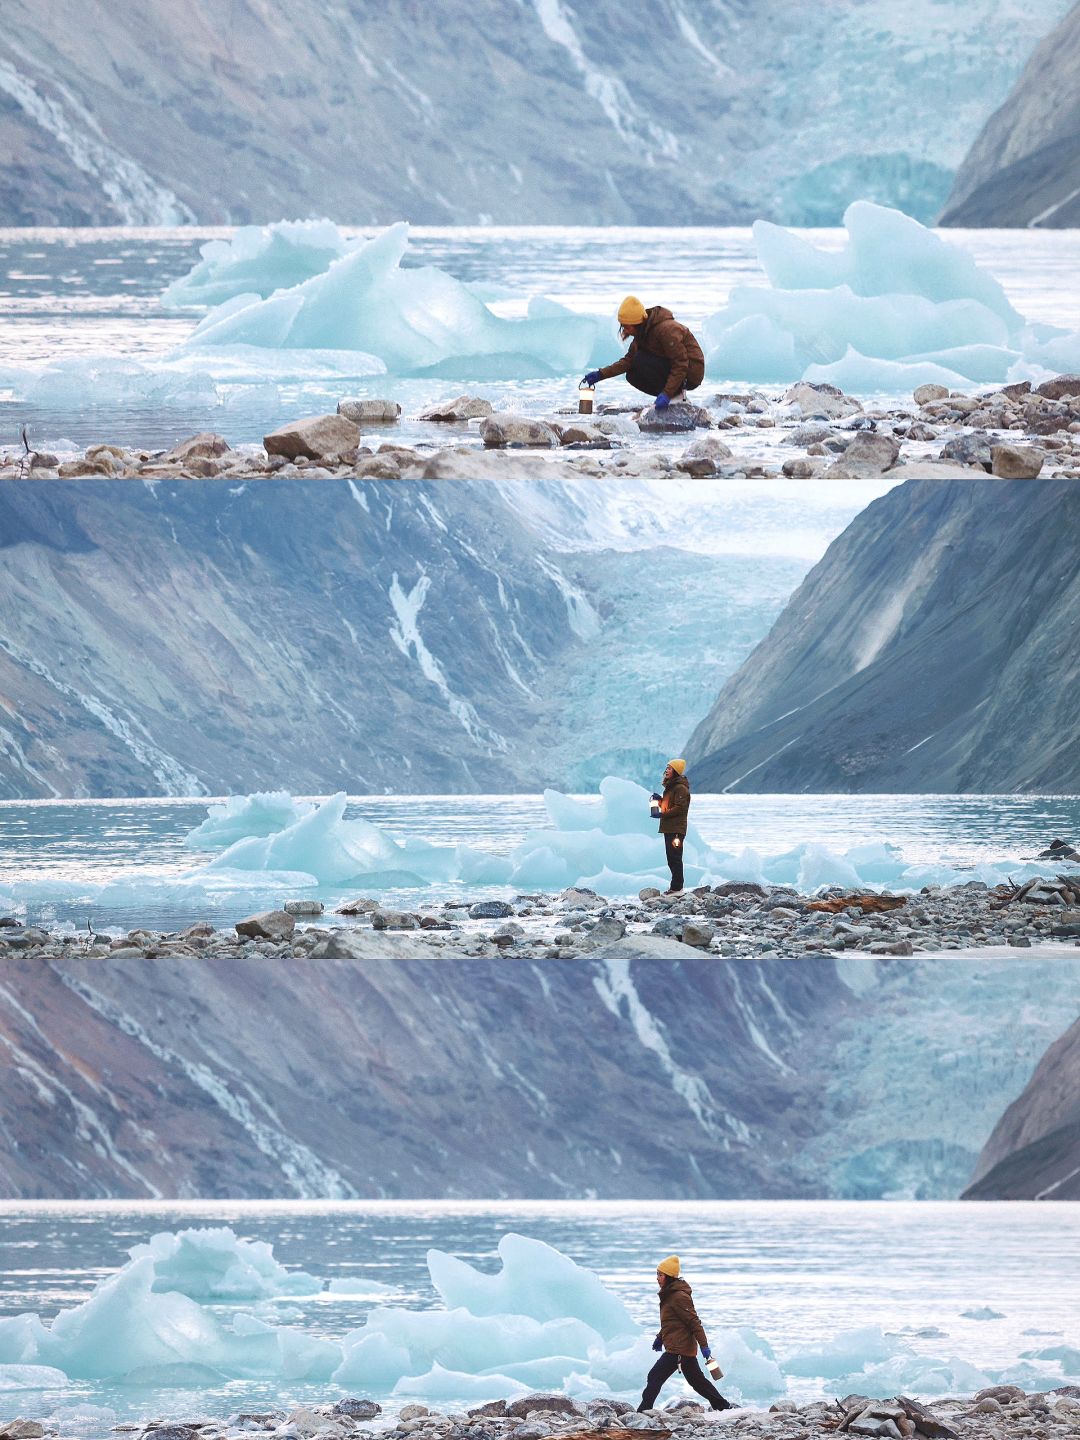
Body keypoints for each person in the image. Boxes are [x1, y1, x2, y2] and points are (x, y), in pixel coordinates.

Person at [639, 1255, 732, 1412]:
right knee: (698, 1382)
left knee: (655, 1376)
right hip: (680, 1348)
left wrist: (705, 1348)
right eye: (657, 1274)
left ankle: (643, 1410)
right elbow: (672, 1322)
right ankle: (723, 1406)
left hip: (679, 1350)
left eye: (660, 1275)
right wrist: (660, 1338)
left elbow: (694, 1323)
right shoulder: (669, 1294)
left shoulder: (678, 1296)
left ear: (668, 1277)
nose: (657, 1278)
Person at [581, 296, 705, 408]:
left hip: (691, 372)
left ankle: (674, 396)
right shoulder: (642, 334)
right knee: (632, 374)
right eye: (623, 326)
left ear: (638, 323)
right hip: (675, 369)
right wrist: (600, 374)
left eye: (628, 326)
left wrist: (667, 394)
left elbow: (681, 364)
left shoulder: (667, 330)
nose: (626, 330)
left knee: (641, 360)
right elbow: (628, 361)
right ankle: (669, 396)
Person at [652, 759, 690, 896]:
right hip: (669, 828)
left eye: (669, 768)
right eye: (666, 767)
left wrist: (662, 813)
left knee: (675, 858)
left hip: (676, 829)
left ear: (676, 771)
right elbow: (670, 805)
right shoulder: (671, 787)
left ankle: (677, 888)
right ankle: (675, 888)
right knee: (671, 858)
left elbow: (680, 808)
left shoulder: (680, 788)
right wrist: (659, 801)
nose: (666, 770)